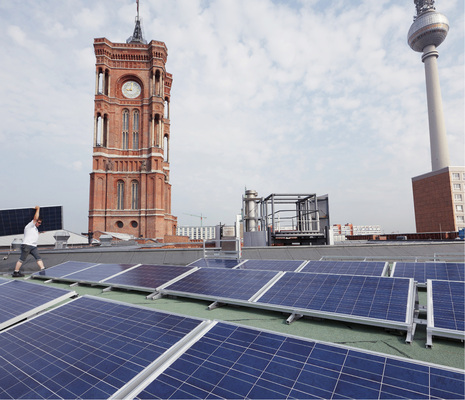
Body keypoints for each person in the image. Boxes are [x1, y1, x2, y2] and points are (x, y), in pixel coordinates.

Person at [12, 206, 46, 277]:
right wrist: (38, 209)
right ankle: (16, 272)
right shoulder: (30, 226)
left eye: (40, 223)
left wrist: (41, 232)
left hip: (33, 246)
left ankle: (43, 271)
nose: (39, 224)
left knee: (38, 258)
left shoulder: (35, 229)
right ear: (35, 221)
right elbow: (35, 218)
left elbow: (34, 234)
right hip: (27, 245)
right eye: (39, 222)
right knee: (22, 259)